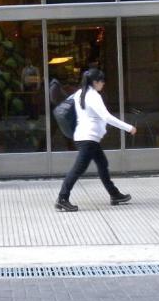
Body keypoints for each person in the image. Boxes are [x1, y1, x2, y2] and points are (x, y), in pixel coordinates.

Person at [55, 68, 135, 212]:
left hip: (84, 137)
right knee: (78, 169)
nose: (103, 83)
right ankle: (62, 198)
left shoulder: (79, 93)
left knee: (102, 164)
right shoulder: (93, 96)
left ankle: (114, 194)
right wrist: (128, 128)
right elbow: (107, 117)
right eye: (102, 81)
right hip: (88, 138)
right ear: (95, 82)